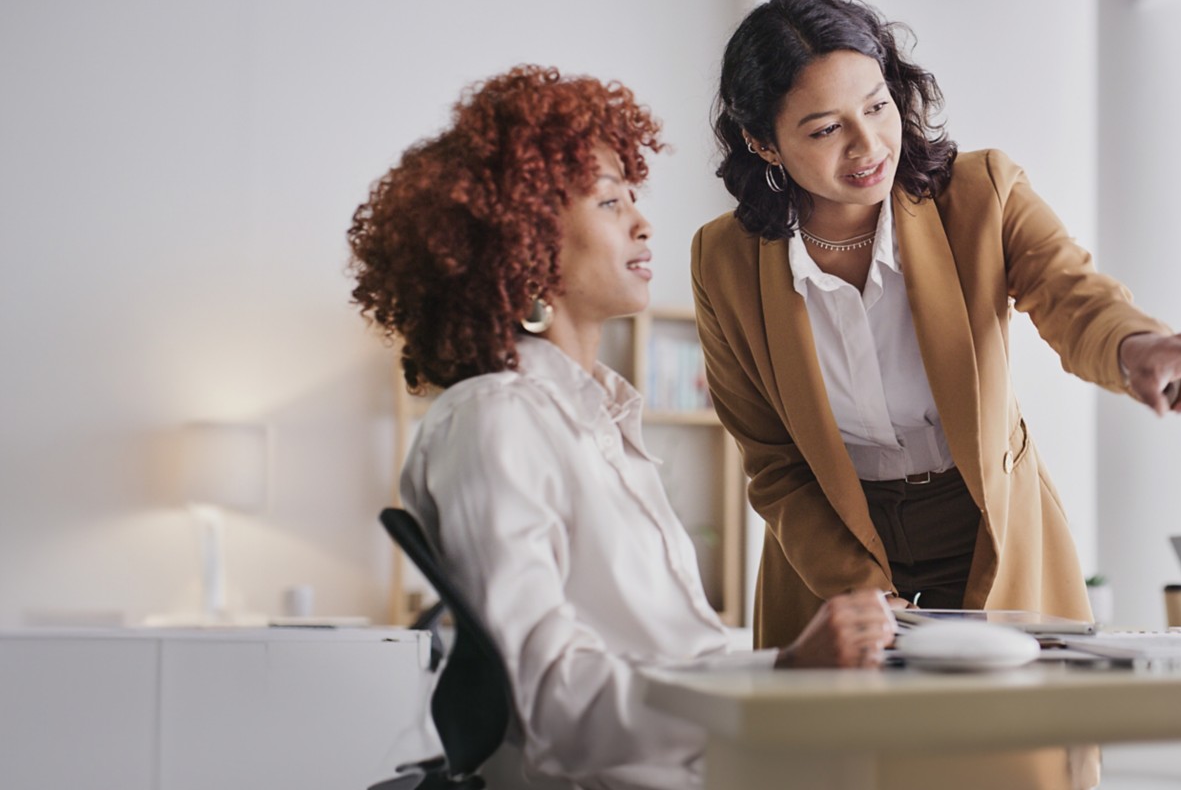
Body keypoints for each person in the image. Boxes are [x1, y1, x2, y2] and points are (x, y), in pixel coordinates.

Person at [347, 66, 893, 790]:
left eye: (633, 197)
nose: (643, 223)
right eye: (609, 202)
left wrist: (788, 675)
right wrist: (788, 671)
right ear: (525, 246)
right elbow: (552, 705)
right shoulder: (495, 420)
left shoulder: (592, 420)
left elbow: (673, 660)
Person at [691, 0, 1181, 651]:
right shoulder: (725, 261)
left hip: (986, 529)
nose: (867, 145)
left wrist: (1134, 345)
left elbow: (1072, 294)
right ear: (762, 143)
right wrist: (853, 585)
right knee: (850, 750)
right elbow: (774, 462)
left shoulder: (982, 192)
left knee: (1007, 748)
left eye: (877, 106)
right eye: (826, 128)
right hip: (831, 548)